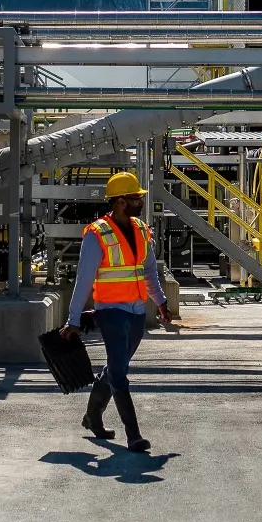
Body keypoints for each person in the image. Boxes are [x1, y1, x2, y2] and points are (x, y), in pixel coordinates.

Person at [61, 170, 173, 452]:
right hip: (110, 311)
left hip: (136, 312)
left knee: (115, 368)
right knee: (120, 373)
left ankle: (92, 416)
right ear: (121, 201)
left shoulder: (141, 229)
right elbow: (83, 280)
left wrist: (160, 302)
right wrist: (73, 319)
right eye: (136, 197)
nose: (140, 201)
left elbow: (148, 272)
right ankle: (133, 435)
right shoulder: (97, 235)